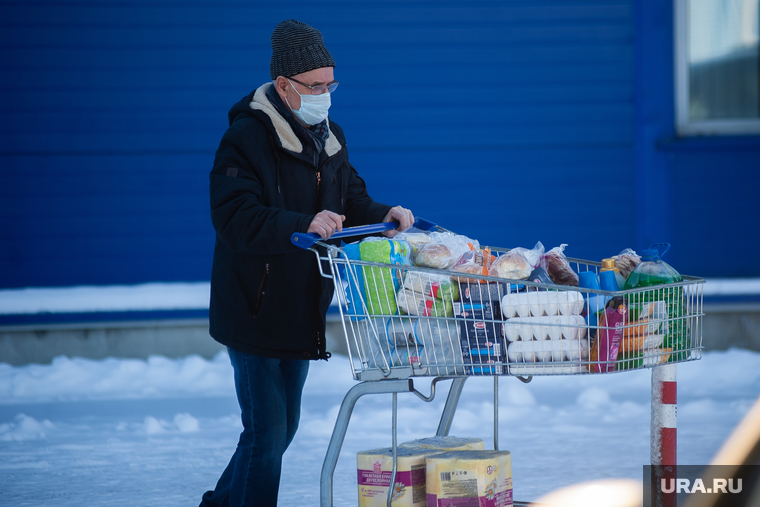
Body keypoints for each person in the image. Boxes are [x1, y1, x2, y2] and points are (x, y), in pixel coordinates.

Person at [200, 19, 414, 507]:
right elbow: (233, 216)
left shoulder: (328, 136)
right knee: (267, 431)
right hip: (253, 304)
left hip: (301, 303)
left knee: (281, 429)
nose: (325, 95)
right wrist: (302, 221)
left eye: (330, 84)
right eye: (315, 86)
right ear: (283, 86)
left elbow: (350, 197)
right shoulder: (247, 138)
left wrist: (384, 213)